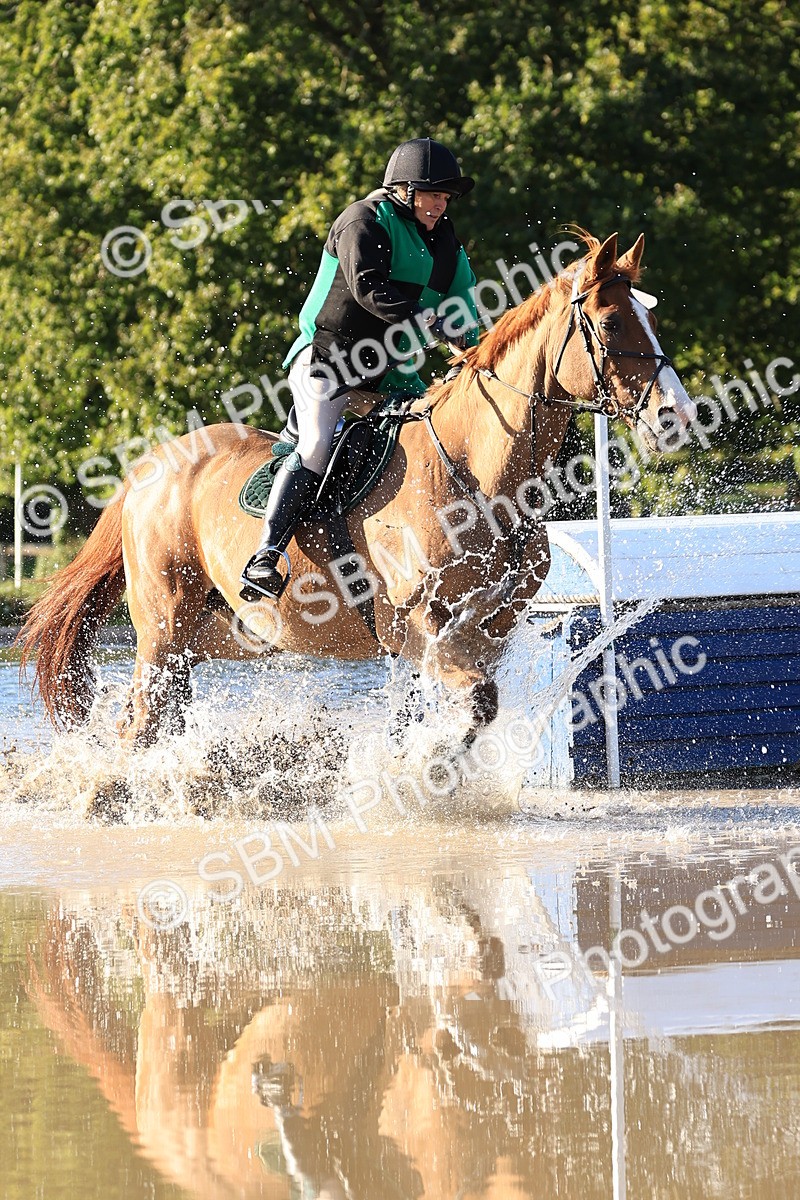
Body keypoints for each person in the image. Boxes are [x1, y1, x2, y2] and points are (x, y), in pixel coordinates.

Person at [240, 136, 480, 601]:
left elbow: (464, 308)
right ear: (404, 191)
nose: (441, 204)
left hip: (389, 373)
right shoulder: (363, 221)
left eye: (446, 196)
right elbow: (369, 289)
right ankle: (265, 556)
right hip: (329, 358)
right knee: (314, 446)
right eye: (433, 194)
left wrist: (474, 348)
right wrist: (429, 320)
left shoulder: (447, 242)